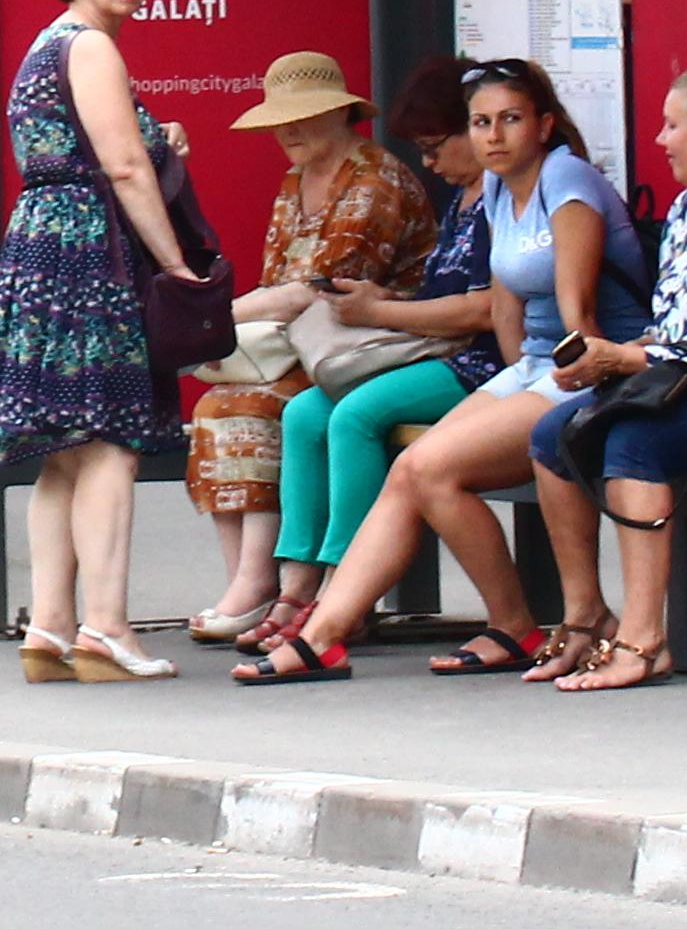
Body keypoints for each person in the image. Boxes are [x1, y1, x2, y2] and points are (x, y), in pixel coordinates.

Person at [229, 59, 634, 684]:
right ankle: (330, 633)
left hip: (588, 368)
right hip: (528, 366)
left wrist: (519, 397)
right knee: (413, 473)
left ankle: (506, 623)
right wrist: (502, 389)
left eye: (509, 121)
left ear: (545, 125)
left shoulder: (567, 181)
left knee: (429, 466)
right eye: (480, 124)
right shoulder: (499, 188)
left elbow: (580, 318)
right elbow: (506, 308)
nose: (493, 136)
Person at [0, 0, 204, 681]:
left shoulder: (49, 45)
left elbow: (99, 145)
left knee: (64, 453)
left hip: (40, 244)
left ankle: (50, 627)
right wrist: (175, 264)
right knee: (109, 443)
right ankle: (106, 627)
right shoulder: (94, 48)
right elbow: (125, 167)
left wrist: (152, 133)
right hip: (87, 249)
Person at [512, 66, 687, 693]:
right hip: (669, 377)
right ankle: (585, 615)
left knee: (634, 444)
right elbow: (670, 322)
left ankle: (645, 639)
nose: (660, 139)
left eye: (672, 125)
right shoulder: (684, 210)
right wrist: (608, 357)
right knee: (554, 435)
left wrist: (623, 362)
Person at [246, 60, 498, 649]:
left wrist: (380, 311)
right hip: (429, 345)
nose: (429, 163)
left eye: (436, 147)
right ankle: (297, 584)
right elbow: (437, 295)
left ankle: (346, 590)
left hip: (477, 362)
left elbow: (481, 312)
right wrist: (386, 300)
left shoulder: (502, 200)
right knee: (303, 412)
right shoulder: (463, 199)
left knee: (357, 413)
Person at [186, 51, 433, 644]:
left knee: (253, 405)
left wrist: (216, 318)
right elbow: (279, 282)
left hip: (370, 348)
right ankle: (249, 583)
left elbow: (320, 289)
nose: (288, 130)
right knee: (215, 407)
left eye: (304, 115)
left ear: (341, 114)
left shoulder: (374, 181)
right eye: (281, 118)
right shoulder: (296, 180)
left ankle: (261, 584)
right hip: (308, 343)